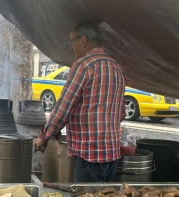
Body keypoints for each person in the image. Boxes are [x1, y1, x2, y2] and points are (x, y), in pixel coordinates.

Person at [34, 21, 126, 182]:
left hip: (89, 154)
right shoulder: (116, 67)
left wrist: (44, 135)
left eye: (71, 42)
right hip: (111, 153)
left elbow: (64, 106)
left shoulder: (83, 65)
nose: (70, 48)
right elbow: (121, 113)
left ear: (82, 40)